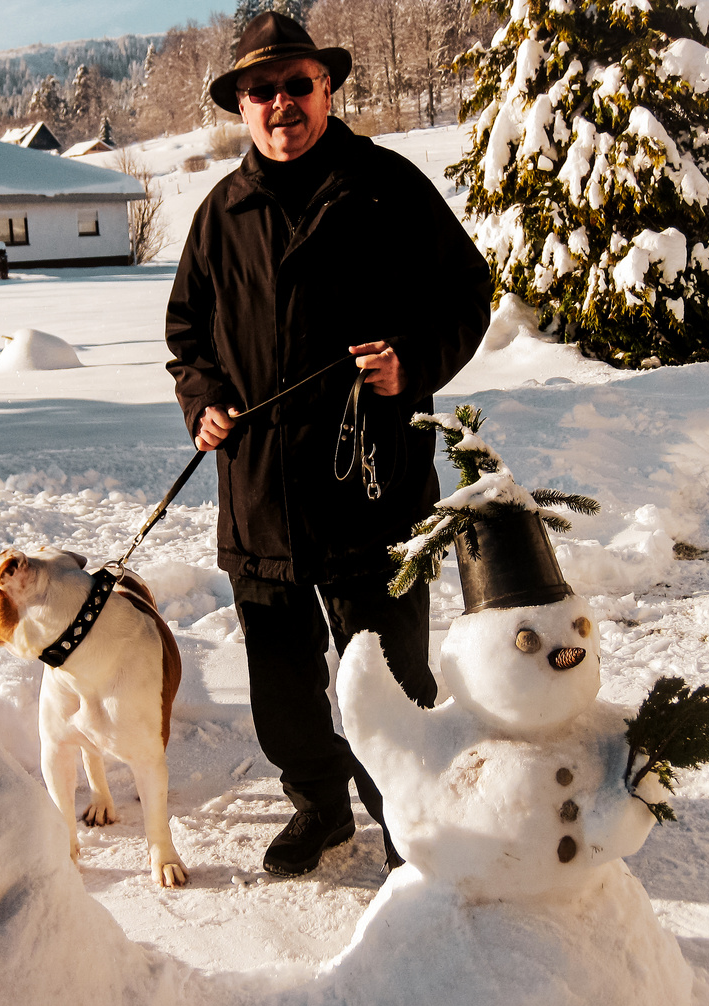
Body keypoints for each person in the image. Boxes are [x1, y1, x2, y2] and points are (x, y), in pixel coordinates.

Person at [165, 12, 492, 877]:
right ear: (242, 104)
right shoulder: (219, 214)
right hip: (260, 492)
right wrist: (201, 402)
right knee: (281, 687)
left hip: (370, 483)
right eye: (261, 90)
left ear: (328, 89)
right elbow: (188, 335)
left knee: (390, 674)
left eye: (297, 86)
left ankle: (408, 827)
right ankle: (318, 805)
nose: (281, 104)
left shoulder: (384, 186)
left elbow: (466, 291)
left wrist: (411, 364)